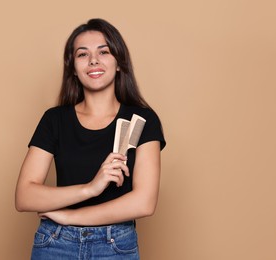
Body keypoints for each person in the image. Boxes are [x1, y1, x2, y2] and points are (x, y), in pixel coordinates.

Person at [15, 18, 166, 259]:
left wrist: (70, 217)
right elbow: (24, 196)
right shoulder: (55, 120)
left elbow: (143, 203)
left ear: (118, 63)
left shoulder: (142, 120)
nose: (93, 60)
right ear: (73, 68)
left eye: (104, 51)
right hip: (55, 242)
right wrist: (90, 189)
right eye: (82, 54)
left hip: (115, 246)